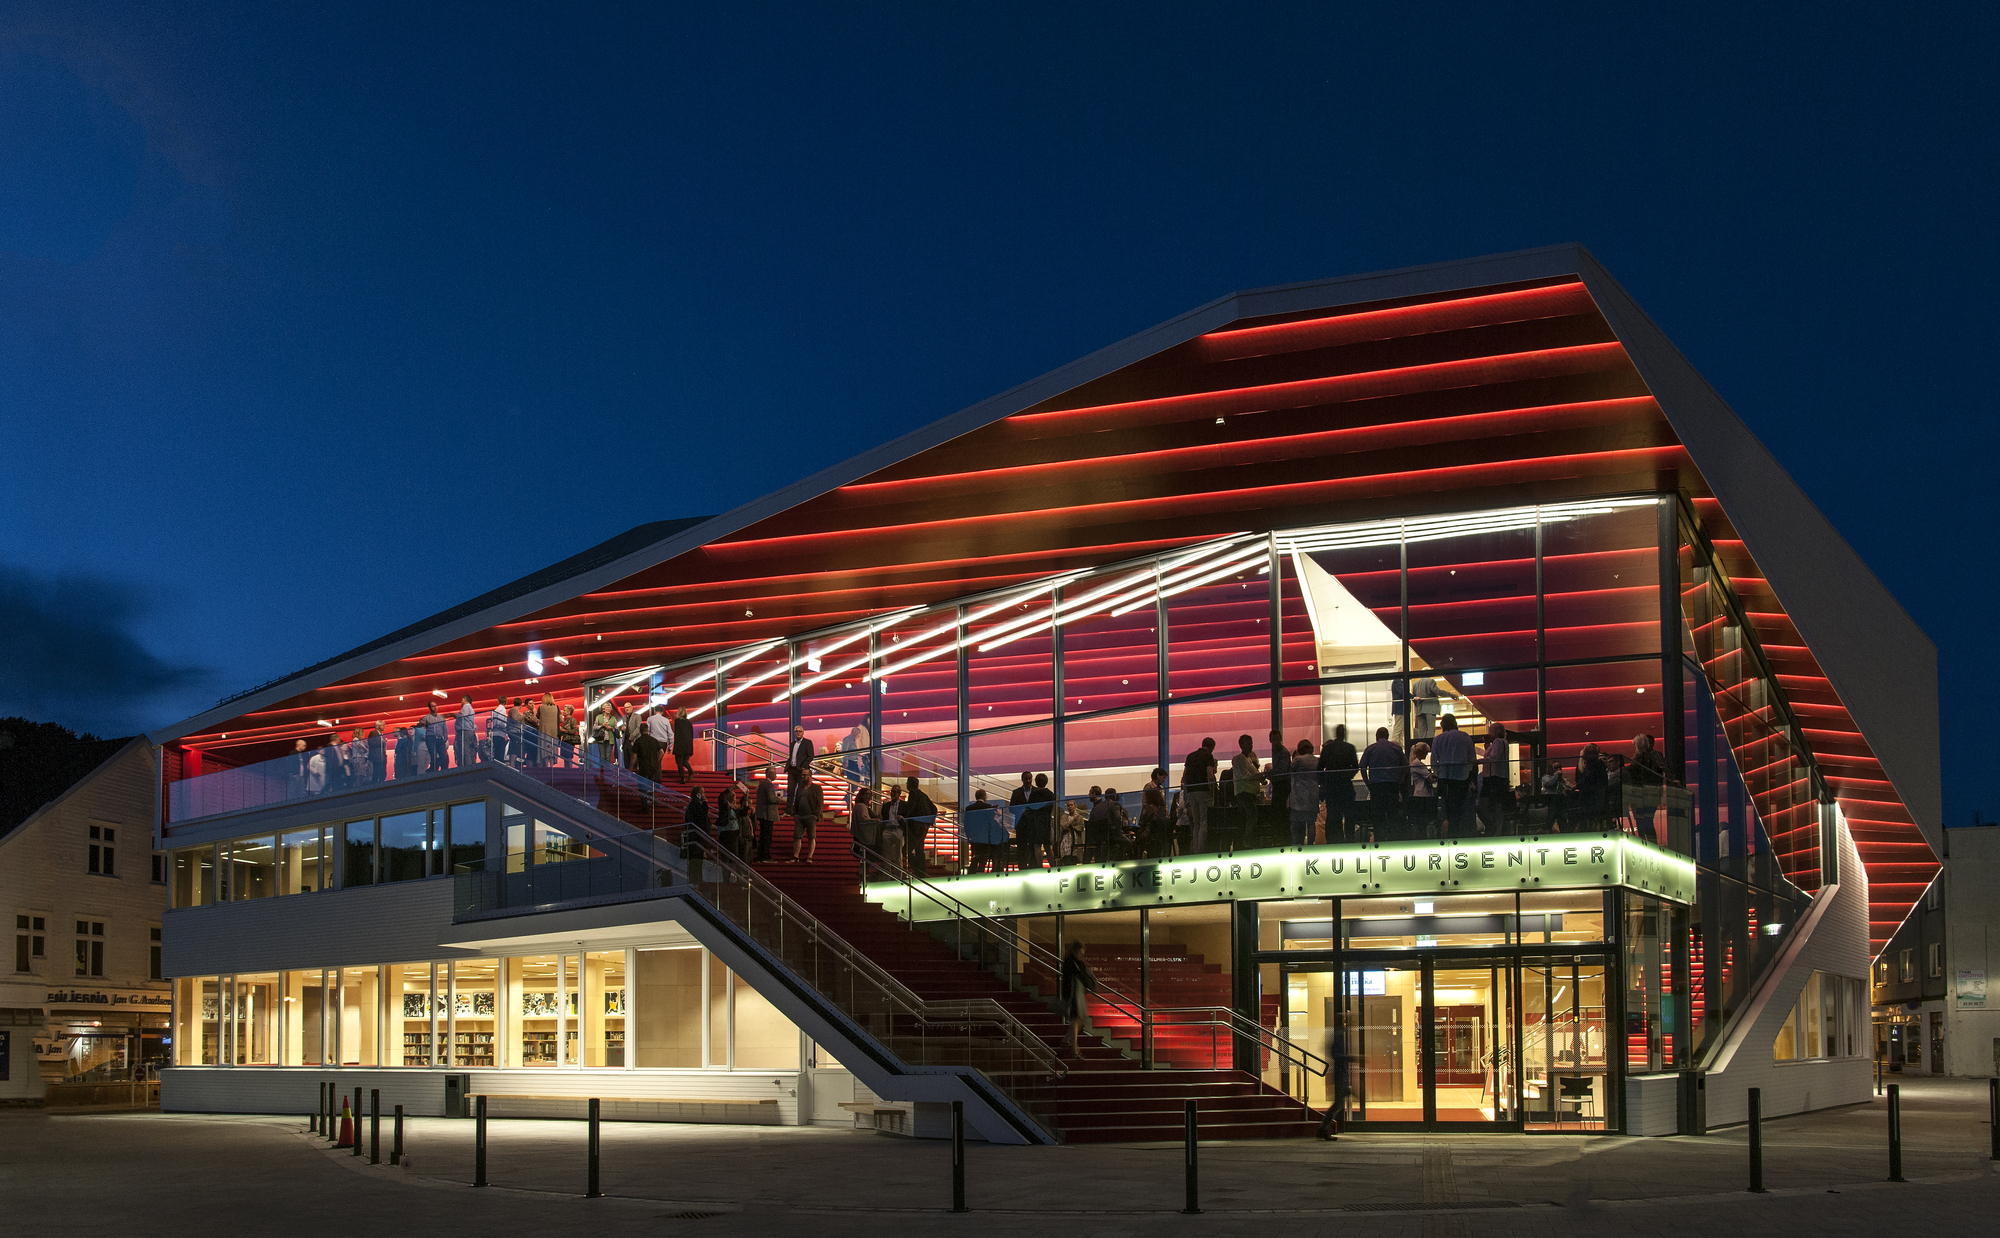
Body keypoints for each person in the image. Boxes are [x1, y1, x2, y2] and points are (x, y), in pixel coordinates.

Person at [1430, 715, 1475, 838]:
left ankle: (1449, 835)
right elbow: (1472, 758)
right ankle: (1461, 835)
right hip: (1462, 778)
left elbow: (1434, 761)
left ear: (1443, 725)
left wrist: (1439, 774)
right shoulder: (1465, 737)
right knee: (1462, 809)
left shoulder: (1438, 739)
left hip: (1445, 779)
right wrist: (1467, 771)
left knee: (1446, 809)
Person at [1361, 727, 1406, 838]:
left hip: (1376, 786)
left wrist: (1368, 783)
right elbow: (1405, 765)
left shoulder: (1370, 749)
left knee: (1378, 815)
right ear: (1388, 736)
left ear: (1376, 736)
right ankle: (1393, 839)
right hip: (1392, 785)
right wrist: (1400, 780)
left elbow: (1362, 767)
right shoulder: (1396, 748)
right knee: (1392, 814)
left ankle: (1379, 840)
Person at [1180, 738, 1220, 853]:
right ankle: (1201, 850)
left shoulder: (1190, 756)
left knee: (1196, 822)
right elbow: (1210, 776)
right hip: (1204, 791)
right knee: (1204, 821)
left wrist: (1187, 792)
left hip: (1191, 791)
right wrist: (1212, 791)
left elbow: (1185, 777)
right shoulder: (1208, 756)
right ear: (1212, 747)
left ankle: (1196, 849)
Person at [1320, 725, 1359, 841]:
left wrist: (1325, 782)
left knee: (1333, 815)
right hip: (1346, 786)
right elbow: (1356, 767)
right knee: (1348, 815)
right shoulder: (1350, 748)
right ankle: (1349, 838)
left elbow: (1320, 767)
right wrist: (1347, 777)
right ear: (1344, 734)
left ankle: (1334, 839)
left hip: (1332, 787)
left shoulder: (1328, 748)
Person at [1059, 940, 1097, 1056]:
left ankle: (1066, 1040)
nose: (1081, 956)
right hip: (1073, 994)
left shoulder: (1077, 963)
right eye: (1080, 953)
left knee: (1079, 1020)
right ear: (1075, 951)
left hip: (1077, 993)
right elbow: (1071, 978)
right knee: (1076, 1020)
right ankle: (1074, 1047)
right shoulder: (1070, 962)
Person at [1227, 735, 1264, 855]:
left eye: (1251, 743)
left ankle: (1246, 841)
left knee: (1247, 817)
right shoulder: (1239, 758)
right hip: (1244, 792)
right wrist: (1257, 777)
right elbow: (1244, 774)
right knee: (1252, 815)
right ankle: (1247, 841)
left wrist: (1259, 778)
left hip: (1249, 792)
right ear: (1241, 745)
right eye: (1248, 743)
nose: (1251, 746)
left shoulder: (1248, 760)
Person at [1626, 734, 1667, 841]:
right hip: (1651, 792)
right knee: (1647, 820)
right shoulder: (1656, 755)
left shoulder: (1639, 757)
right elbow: (1665, 769)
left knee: (1641, 820)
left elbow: (1631, 771)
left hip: (1640, 793)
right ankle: (1651, 843)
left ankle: (1644, 842)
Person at [1478, 722, 1513, 835]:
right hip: (1499, 778)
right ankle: (1496, 830)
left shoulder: (1498, 742)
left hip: (1494, 778)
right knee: (1495, 807)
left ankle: (1493, 828)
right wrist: (1487, 745)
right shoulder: (1503, 743)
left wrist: (1478, 762)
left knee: (1487, 806)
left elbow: (1493, 758)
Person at [1287, 739, 1319, 846]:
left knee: (1296, 823)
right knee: (1311, 823)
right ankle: (1311, 845)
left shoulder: (1298, 760)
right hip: (1313, 794)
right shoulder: (1317, 761)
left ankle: (1297, 845)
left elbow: (1290, 772)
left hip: (1299, 795)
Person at [901, 776, 935, 873]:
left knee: (906, 850)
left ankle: (917, 868)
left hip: (915, 826)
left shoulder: (913, 793)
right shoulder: (923, 795)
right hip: (924, 826)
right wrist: (929, 821)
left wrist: (904, 817)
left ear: (910, 784)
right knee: (920, 849)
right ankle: (921, 871)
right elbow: (934, 809)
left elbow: (911, 807)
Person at [1021, 774, 1056, 869]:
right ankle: (1053, 867)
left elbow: (1030, 808)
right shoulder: (1050, 794)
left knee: (1037, 846)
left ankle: (1040, 867)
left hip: (1035, 822)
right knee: (1048, 847)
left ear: (1035, 782)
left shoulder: (1034, 794)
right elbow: (1050, 809)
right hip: (1046, 821)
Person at [962, 789, 1001, 873]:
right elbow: (990, 822)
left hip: (974, 837)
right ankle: (981, 872)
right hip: (985, 837)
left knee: (975, 856)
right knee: (984, 857)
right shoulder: (988, 807)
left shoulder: (969, 808)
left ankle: (972, 873)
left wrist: (969, 836)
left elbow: (966, 824)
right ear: (984, 797)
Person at [850, 787, 884, 879]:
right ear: (861, 795)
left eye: (870, 794)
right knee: (868, 855)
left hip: (865, 837)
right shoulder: (861, 806)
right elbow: (864, 819)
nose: (869, 796)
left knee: (867, 856)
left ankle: (863, 872)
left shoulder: (864, 807)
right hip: (864, 838)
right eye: (867, 794)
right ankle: (863, 872)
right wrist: (875, 820)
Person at [1266, 730, 1293, 848]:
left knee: (1279, 814)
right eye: (1274, 739)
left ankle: (1281, 840)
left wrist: (1266, 774)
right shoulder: (1280, 752)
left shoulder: (1282, 752)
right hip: (1281, 785)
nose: (1276, 741)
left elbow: (1281, 771)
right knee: (1279, 813)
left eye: (1277, 739)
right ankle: (1282, 840)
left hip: (1282, 785)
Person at [1407, 741, 1438, 837]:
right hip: (1423, 794)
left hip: (1420, 794)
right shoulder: (1417, 764)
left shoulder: (1415, 764)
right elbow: (1430, 778)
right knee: (1424, 821)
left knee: (1421, 822)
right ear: (1421, 751)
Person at [753, 765, 783, 862]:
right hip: (768, 814)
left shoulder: (762, 784)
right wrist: (778, 799)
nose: (776, 776)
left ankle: (761, 855)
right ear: (770, 774)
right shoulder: (769, 785)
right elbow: (770, 799)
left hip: (762, 814)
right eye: (775, 774)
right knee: (767, 836)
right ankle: (765, 856)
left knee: (763, 835)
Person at [792, 777, 825, 864]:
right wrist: (795, 814)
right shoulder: (800, 788)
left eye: (805, 775)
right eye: (802, 775)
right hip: (800, 815)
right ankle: (796, 856)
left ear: (810, 777)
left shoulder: (816, 788)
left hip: (811, 816)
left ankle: (809, 857)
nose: (802, 777)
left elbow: (820, 802)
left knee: (811, 837)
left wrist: (816, 815)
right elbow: (796, 801)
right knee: (797, 836)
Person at [1138, 768, 1169, 859]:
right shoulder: (1149, 786)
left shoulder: (1161, 788)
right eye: (1163, 777)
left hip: (1160, 818)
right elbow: (1145, 803)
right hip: (1152, 818)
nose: (1163, 780)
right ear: (1158, 775)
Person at [1575, 744, 1608, 828]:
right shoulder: (1599, 765)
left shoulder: (1592, 766)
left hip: (1590, 798)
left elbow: (1587, 780)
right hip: (1598, 798)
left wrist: (1575, 787)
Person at [785, 726, 816, 816]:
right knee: (790, 790)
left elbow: (810, 756)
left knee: (801, 791)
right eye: (796, 731)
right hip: (792, 769)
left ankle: (798, 811)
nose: (798, 733)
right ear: (794, 733)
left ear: (803, 732)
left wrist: (804, 766)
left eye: (800, 731)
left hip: (801, 770)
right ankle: (788, 811)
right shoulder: (792, 744)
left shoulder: (807, 742)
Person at [877, 787, 906, 874]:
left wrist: (902, 819)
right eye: (892, 791)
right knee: (886, 855)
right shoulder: (886, 805)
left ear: (899, 794)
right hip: (888, 829)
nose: (892, 793)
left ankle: (898, 878)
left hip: (898, 829)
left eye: (895, 792)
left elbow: (907, 817)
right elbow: (883, 817)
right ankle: (886, 877)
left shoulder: (904, 805)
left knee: (898, 856)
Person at [716, 781, 748, 859]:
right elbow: (721, 797)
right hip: (726, 830)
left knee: (734, 852)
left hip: (735, 831)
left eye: (734, 795)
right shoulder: (725, 805)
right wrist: (731, 788)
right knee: (726, 852)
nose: (733, 796)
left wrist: (746, 796)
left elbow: (744, 812)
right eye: (731, 795)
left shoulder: (736, 808)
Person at [1540, 760, 1571, 833]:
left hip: (1560, 801)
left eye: (1560, 768)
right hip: (1551, 801)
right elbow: (1549, 783)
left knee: (1562, 819)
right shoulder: (1546, 777)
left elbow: (1565, 787)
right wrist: (1556, 774)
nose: (1558, 770)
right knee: (1552, 815)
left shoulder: (1560, 780)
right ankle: (1548, 830)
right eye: (1556, 768)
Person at [638, 708, 667, 783]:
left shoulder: (650, 719)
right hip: (663, 742)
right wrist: (670, 746)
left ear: (655, 711)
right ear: (662, 712)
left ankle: (654, 778)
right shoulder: (666, 720)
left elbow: (648, 729)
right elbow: (669, 732)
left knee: (652, 761)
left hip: (653, 741)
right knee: (657, 761)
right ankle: (658, 779)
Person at [1055, 801, 1086, 865]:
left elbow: (1081, 828)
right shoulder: (1064, 817)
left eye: (1071, 805)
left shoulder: (1080, 818)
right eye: (1068, 806)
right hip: (1065, 843)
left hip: (1076, 841)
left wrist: (1072, 827)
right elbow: (1063, 826)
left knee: (1075, 859)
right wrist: (1072, 820)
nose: (1070, 807)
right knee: (1066, 859)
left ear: (1075, 806)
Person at [671, 707, 696, 785]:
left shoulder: (677, 721)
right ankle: (690, 771)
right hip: (688, 745)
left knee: (679, 762)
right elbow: (691, 735)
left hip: (680, 744)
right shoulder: (688, 722)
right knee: (684, 761)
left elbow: (677, 734)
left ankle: (683, 778)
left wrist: (675, 746)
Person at [488, 698, 511, 766]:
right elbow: (500, 722)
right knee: (500, 752)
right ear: (506, 702)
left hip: (494, 733)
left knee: (496, 753)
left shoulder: (495, 710)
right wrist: (505, 726)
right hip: (500, 733)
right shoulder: (502, 709)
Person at [456, 697, 477, 768]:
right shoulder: (471, 708)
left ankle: (467, 766)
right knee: (466, 749)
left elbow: (461, 715)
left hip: (464, 731)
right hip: (468, 730)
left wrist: (453, 715)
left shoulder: (465, 707)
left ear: (465, 699)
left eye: (462, 699)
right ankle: (467, 765)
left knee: (464, 749)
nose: (461, 701)